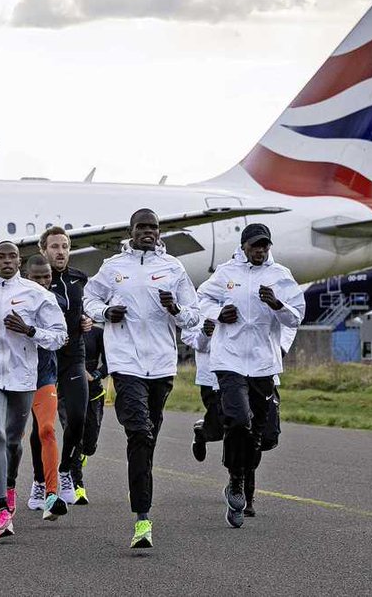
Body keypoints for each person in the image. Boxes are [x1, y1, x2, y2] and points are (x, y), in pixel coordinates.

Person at [83, 209, 201, 549]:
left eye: (153, 227)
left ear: (159, 232)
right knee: (139, 431)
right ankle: (142, 519)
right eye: (141, 227)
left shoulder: (173, 269)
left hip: (162, 366)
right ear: (131, 231)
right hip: (125, 363)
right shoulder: (113, 267)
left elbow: (194, 316)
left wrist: (176, 310)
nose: (148, 232)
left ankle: (143, 511)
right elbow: (90, 299)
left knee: (145, 441)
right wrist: (105, 313)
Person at [197, 222, 304, 529]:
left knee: (257, 433)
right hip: (228, 360)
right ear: (243, 247)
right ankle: (234, 481)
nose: (260, 251)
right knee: (238, 419)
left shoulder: (280, 276)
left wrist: (276, 303)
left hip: (263, 364)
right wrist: (217, 314)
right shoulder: (227, 273)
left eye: (264, 246)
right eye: (254, 246)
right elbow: (202, 299)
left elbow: (296, 317)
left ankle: (242, 480)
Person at [0, 241, 67, 538]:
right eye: (1, 256)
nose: (6, 261)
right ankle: (2, 509)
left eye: (12, 256)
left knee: (12, 441)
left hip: (23, 376)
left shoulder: (36, 294)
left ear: (19, 261)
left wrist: (30, 331)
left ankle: (10, 485)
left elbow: (60, 336)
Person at [38, 226, 92, 504]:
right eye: (55, 247)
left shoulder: (79, 279)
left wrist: (87, 319)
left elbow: (87, 308)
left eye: (65, 246)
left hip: (73, 356)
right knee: (43, 426)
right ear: (43, 250)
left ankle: (66, 471)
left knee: (78, 418)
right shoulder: (36, 280)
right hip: (45, 358)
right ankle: (40, 481)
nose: (60, 252)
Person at [23, 254, 70, 520]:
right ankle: (10, 494)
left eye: (47, 278)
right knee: (7, 438)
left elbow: (59, 333)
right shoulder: (11, 298)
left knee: (47, 429)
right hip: (14, 378)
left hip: (44, 376)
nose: (42, 283)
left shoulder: (54, 301)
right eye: (36, 277)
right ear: (25, 276)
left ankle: (51, 495)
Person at [181, 318, 223, 463]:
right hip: (211, 375)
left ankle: (204, 429)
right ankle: (203, 432)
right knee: (223, 421)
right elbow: (188, 337)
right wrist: (205, 334)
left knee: (239, 421)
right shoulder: (200, 304)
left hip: (243, 372)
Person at [78, 325, 107, 486]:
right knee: (74, 434)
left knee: (90, 444)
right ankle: (76, 483)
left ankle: (84, 452)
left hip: (94, 391)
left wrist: (96, 375)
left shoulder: (97, 333)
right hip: (70, 389)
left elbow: (110, 362)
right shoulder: (65, 330)